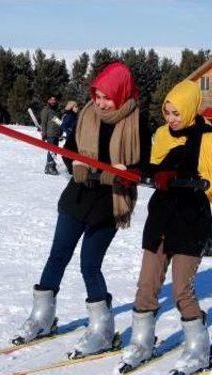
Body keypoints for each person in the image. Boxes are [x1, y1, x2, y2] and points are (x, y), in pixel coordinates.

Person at [13, 62, 149, 359]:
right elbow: (70, 150)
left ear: (122, 94)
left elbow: (145, 166)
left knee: (89, 263)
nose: (100, 103)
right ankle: (42, 317)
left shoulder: (136, 122)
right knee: (57, 255)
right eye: (97, 95)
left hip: (109, 203)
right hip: (76, 197)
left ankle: (101, 328)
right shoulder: (86, 114)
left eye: (107, 97)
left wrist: (126, 171)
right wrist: (75, 165)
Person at [116, 80, 212, 375]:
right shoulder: (162, 134)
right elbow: (154, 170)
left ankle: (199, 347)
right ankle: (141, 341)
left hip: (190, 219)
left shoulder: (207, 136)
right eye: (167, 112)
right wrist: (136, 174)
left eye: (176, 113)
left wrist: (178, 178)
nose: (170, 119)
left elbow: (211, 179)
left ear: (190, 109)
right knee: (147, 283)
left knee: (181, 290)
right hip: (161, 217)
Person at [40, 95, 62, 175]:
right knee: (51, 151)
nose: (53, 101)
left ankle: (51, 167)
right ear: (48, 101)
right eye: (51, 100)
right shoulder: (46, 110)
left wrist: (61, 132)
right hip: (50, 134)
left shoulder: (55, 111)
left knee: (55, 151)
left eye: (54, 100)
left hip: (56, 134)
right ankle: (50, 167)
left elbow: (58, 122)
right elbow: (43, 123)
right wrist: (44, 134)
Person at [60, 100, 80, 174]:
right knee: (69, 154)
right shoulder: (70, 115)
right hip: (71, 139)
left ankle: (73, 169)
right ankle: (71, 170)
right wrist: (71, 132)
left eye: (77, 106)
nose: (77, 108)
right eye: (76, 106)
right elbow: (63, 125)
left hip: (74, 138)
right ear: (71, 107)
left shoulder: (74, 115)